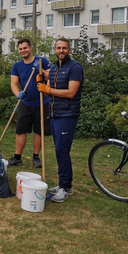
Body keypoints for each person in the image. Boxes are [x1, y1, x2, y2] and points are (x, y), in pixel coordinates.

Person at [37, 37, 83, 202]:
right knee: (59, 150)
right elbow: (50, 86)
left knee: (62, 151)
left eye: (64, 48)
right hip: (55, 114)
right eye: (58, 48)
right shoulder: (55, 68)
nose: (61, 51)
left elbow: (70, 93)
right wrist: (41, 81)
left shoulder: (75, 68)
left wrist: (47, 88)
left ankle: (64, 187)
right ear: (55, 50)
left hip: (67, 115)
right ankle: (66, 185)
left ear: (69, 50)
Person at [8, 38, 51, 168]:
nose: (23, 51)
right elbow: (14, 83)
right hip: (25, 103)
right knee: (21, 130)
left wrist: (41, 70)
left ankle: (36, 158)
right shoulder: (17, 66)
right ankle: (17, 157)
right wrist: (18, 94)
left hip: (42, 102)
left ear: (30, 48)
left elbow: (50, 76)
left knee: (39, 131)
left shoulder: (42, 61)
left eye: (25, 48)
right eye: (20, 49)